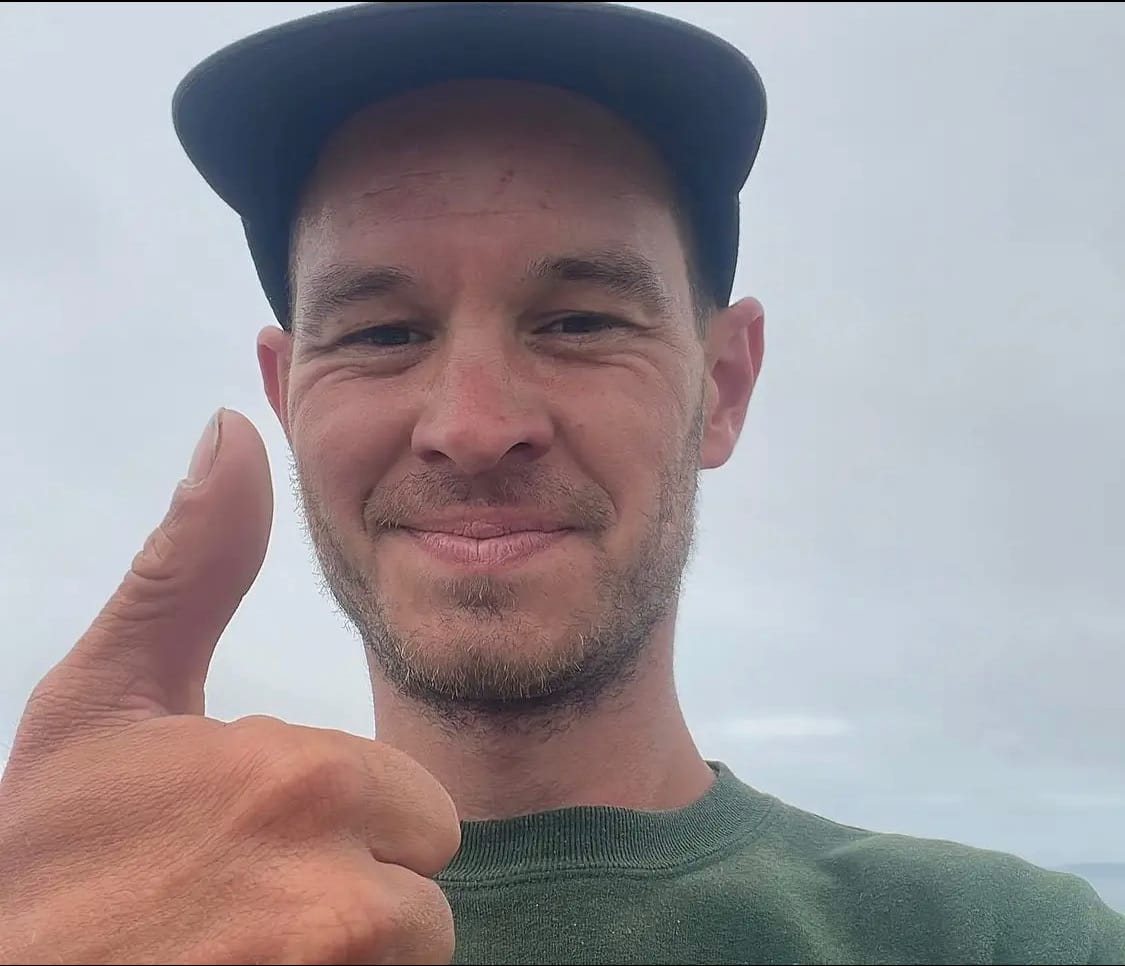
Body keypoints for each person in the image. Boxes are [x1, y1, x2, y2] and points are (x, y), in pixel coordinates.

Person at [0, 2, 1121, 963]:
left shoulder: (1007, 938)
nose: (475, 427)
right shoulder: (92, 922)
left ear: (722, 385)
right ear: (287, 397)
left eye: (579, 321)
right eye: (385, 331)